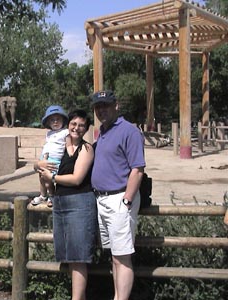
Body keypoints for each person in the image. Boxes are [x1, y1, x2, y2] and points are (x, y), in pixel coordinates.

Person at [90, 90, 145, 300]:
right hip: (103, 200)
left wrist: (127, 200)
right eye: (98, 107)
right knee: (115, 257)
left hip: (120, 198)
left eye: (106, 105)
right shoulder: (102, 132)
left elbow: (137, 169)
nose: (101, 110)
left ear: (116, 106)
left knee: (122, 258)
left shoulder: (128, 131)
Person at [37, 109, 96, 300]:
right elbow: (40, 163)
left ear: (86, 129)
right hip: (60, 203)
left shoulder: (87, 149)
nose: (76, 128)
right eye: (73, 124)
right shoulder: (57, 144)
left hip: (80, 203)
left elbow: (77, 179)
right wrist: (38, 166)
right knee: (69, 255)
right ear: (67, 124)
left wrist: (52, 176)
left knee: (78, 256)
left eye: (81, 125)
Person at [31, 105, 73, 208]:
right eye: (52, 120)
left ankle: (51, 196)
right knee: (41, 178)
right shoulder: (49, 133)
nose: (55, 122)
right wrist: (43, 157)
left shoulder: (65, 132)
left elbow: (68, 145)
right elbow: (47, 146)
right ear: (48, 123)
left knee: (49, 180)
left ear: (63, 120)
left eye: (58, 119)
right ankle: (43, 195)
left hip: (55, 161)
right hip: (45, 159)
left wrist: (71, 153)